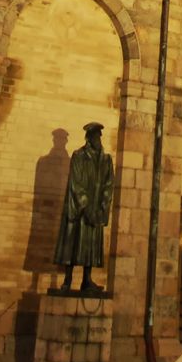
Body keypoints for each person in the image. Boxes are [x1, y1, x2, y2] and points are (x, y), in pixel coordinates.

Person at [53, 122, 114, 293]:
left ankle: (87, 280)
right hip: (79, 210)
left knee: (91, 246)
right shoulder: (78, 156)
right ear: (89, 138)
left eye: (99, 137)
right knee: (73, 244)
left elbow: (109, 184)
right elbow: (76, 183)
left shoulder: (106, 159)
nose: (98, 140)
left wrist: (102, 207)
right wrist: (86, 206)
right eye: (95, 137)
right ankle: (67, 280)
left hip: (95, 209)